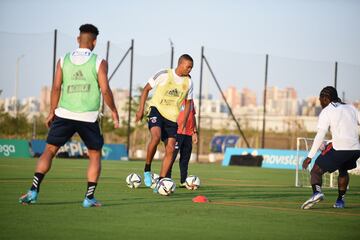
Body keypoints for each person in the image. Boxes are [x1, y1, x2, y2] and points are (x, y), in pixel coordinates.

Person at [19, 24, 119, 208]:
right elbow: (105, 89)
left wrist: (51, 111)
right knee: (95, 155)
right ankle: (89, 198)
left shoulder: (63, 60)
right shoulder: (99, 61)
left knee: (49, 150)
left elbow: (56, 87)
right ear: (95, 41)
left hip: (63, 113)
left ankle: (33, 191)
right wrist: (113, 111)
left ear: (77, 39)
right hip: (88, 117)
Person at [135, 54, 194, 189]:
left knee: (170, 149)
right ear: (180, 64)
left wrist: (184, 121)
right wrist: (140, 110)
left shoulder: (189, 82)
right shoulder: (164, 74)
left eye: (191, 68)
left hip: (172, 118)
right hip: (156, 110)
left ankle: (161, 183)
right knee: (155, 137)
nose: (189, 70)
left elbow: (189, 103)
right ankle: (147, 170)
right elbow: (146, 89)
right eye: (188, 67)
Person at [301, 86, 360, 210]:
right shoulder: (351, 108)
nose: (320, 102)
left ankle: (317, 193)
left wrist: (309, 156)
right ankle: (340, 201)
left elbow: (320, 135)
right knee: (343, 170)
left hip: (340, 148)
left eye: (320, 99)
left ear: (326, 98)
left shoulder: (327, 111)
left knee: (316, 170)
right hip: (355, 149)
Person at [166, 99, 198, 186]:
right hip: (177, 132)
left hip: (188, 133)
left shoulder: (191, 101)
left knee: (185, 159)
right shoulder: (177, 99)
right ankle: (167, 179)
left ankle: (183, 181)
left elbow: (193, 116)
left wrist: (194, 132)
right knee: (171, 157)